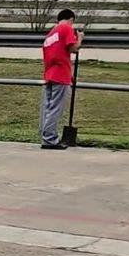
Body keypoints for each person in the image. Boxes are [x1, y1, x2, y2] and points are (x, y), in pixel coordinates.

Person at [40, 9, 83, 150]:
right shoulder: (66, 28)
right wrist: (80, 37)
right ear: (71, 19)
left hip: (49, 73)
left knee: (48, 107)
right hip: (61, 74)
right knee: (55, 108)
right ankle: (50, 139)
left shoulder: (51, 33)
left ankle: (46, 135)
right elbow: (73, 48)